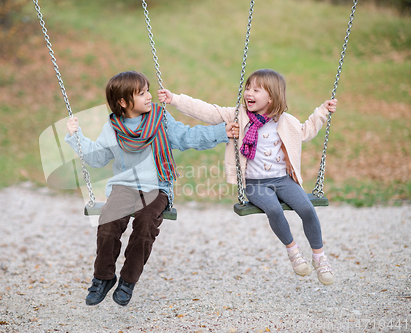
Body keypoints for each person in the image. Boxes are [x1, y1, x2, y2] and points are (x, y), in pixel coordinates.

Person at [65, 71, 237, 306]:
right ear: (123, 103)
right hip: (124, 186)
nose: (149, 97)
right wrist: (76, 137)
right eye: (141, 93)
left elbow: (188, 136)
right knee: (108, 222)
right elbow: (97, 158)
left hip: (157, 186)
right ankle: (103, 277)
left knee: (146, 223)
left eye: (147, 90)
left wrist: (220, 132)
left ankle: (128, 280)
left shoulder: (160, 119)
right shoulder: (113, 128)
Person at [158, 68, 337, 285]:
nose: (248, 93)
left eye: (256, 90)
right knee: (273, 209)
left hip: (282, 180)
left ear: (271, 97)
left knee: (307, 208)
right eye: (248, 88)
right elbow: (208, 111)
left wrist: (322, 112)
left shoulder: (286, 121)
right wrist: (175, 99)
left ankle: (319, 257)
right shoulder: (239, 116)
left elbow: (306, 131)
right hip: (254, 183)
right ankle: (293, 251)